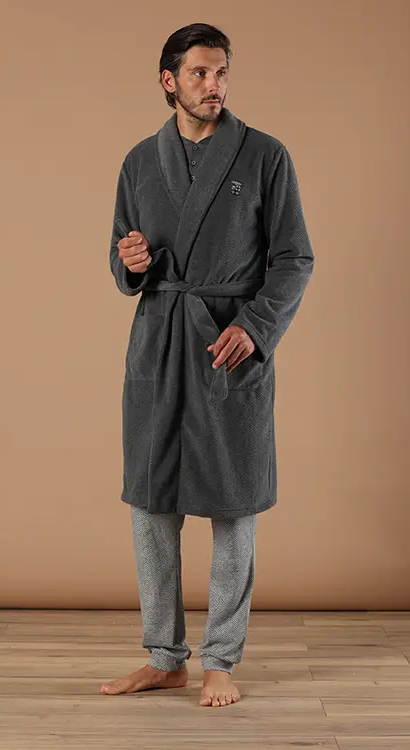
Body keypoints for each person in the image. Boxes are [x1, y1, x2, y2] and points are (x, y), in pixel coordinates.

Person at [101, 23, 315, 707]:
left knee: (234, 505)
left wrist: (255, 327)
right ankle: (165, 657)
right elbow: (123, 255)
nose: (213, 84)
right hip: (160, 342)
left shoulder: (265, 155)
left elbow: (294, 257)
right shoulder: (140, 161)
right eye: (198, 72)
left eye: (221, 71)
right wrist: (131, 264)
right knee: (151, 504)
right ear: (169, 81)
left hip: (228, 345)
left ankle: (221, 659)